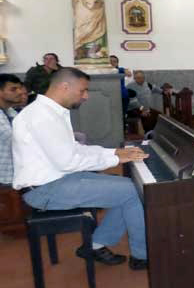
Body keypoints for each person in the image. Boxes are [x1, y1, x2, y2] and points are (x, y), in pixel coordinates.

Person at [11, 67, 149, 269]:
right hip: (44, 190)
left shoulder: (51, 111)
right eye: (83, 91)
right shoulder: (41, 116)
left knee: (129, 187)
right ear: (64, 87)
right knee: (132, 191)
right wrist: (115, 160)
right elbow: (67, 162)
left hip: (57, 180)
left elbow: (74, 149)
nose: (86, 97)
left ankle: (95, 245)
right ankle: (141, 256)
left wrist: (114, 153)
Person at [0, 74, 23, 185]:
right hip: (3, 178)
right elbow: (16, 140)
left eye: (20, 88)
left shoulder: (11, 112)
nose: (20, 92)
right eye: (13, 89)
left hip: (14, 175)